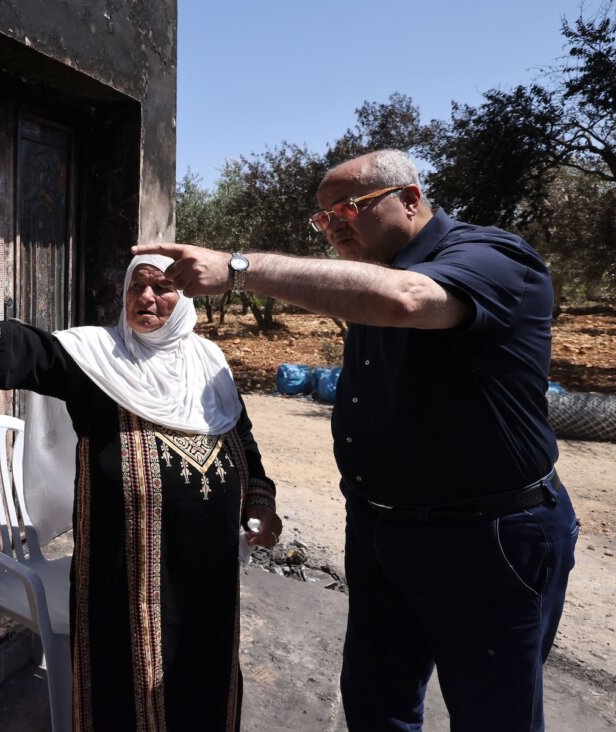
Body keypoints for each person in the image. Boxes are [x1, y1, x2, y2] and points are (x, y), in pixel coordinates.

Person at [135, 149, 579, 731]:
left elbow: (406, 300)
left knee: (494, 714)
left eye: (350, 207)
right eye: (324, 217)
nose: (334, 224)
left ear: (412, 199)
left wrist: (239, 269)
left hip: (484, 538)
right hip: (381, 532)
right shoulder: (374, 271)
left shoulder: (489, 256)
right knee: (377, 705)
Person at [0, 255, 283, 731]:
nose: (145, 297)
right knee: (125, 698)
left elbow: (241, 439)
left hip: (209, 574)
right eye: (136, 287)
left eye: (162, 287)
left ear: (185, 298)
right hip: (125, 578)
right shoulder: (101, 360)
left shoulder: (209, 365)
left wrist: (259, 501)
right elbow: (41, 355)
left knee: (206, 678)